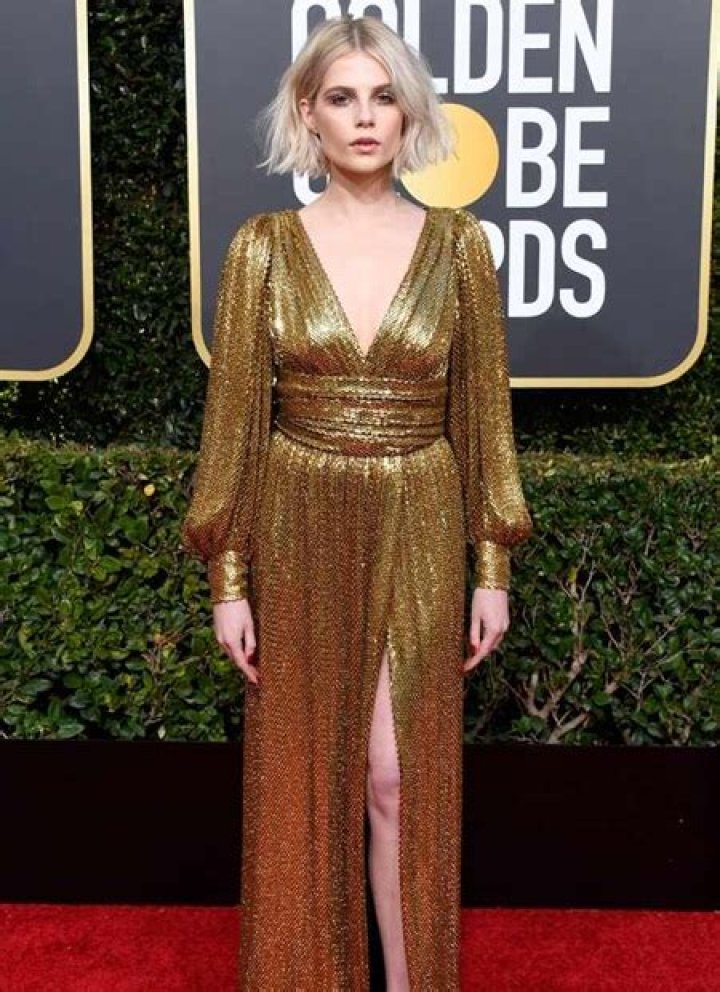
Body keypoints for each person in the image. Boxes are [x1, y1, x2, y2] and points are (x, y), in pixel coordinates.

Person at [181, 14, 533, 992]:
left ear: (410, 113)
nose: (366, 117)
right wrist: (229, 575)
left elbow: (483, 416)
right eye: (342, 97)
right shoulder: (262, 248)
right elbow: (236, 421)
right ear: (309, 113)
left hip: (421, 512)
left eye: (384, 97)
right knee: (304, 781)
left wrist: (492, 562)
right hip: (298, 515)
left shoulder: (459, 246)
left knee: (394, 778)